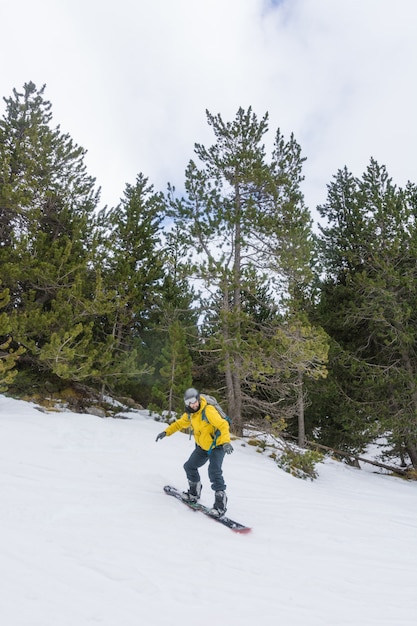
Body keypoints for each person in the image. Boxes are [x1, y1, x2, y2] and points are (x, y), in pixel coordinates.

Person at [156, 387, 233, 517]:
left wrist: (226, 442)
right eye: (189, 402)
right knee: (189, 466)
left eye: (194, 401)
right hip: (202, 447)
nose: (193, 404)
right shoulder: (190, 414)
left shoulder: (208, 410)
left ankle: (220, 506)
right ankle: (193, 494)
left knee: (214, 472)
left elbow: (223, 425)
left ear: (198, 399)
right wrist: (166, 432)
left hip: (218, 446)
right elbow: (180, 424)